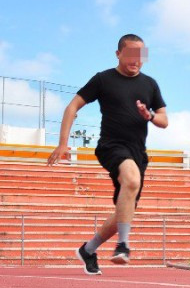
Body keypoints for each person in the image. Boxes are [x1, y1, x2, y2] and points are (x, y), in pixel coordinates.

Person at [48, 34, 168, 274]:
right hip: (111, 146)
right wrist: (62, 143)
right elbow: (72, 106)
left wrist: (150, 116)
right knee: (131, 179)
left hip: (137, 152)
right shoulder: (103, 79)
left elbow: (164, 121)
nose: (136, 60)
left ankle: (88, 250)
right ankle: (123, 246)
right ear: (118, 54)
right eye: (131, 54)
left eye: (140, 56)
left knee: (123, 210)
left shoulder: (150, 84)